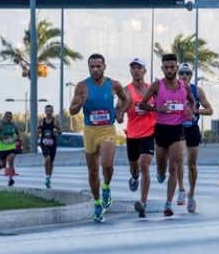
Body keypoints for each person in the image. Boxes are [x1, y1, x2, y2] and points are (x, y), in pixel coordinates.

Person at [69, 53, 130, 222]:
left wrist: (119, 112)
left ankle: (106, 187)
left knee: (107, 165)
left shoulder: (114, 85)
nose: (95, 70)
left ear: (104, 67)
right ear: (88, 67)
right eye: (91, 67)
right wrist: (78, 104)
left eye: (98, 66)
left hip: (107, 130)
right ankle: (97, 204)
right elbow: (72, 110)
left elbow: (127, 101)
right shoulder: (82, 86)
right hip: (89, 131)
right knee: (93, 171)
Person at [139, 54, 195, 217]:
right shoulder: (157, 86)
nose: (169, 70)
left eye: (172, 67)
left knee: (174, 166)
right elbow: (143, 104)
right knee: (162, 168)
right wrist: (157, 109)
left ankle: (168, 204)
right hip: (161, 130)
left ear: (176, 68)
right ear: (162, 68)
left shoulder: (185, 86)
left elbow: (191, 101)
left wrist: (190, 111)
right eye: (166, 67)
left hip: (178, 130)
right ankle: (160, 173)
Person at [117, 58, 156, 218]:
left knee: (144, 165)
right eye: (132, 68)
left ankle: (143, 202)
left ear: (145, 71)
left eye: (139, 67)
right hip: (133, 134)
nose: (135, 70)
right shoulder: (126, 91)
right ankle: (134, 177)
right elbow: (117, 111)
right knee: (135, 167)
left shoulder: (152, 89)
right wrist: (118, 116)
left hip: (150, 132)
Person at [176, 62, 213, 213]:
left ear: (191, 75)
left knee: (191, 164)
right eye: (182, 73)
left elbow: (210, 110)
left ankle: (191, 194)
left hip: (192, 129)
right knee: (178, 159)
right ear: (178, 75)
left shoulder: (197, 91)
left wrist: (196, 111)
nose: (184, 76)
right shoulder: (172, 90)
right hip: (178, 128)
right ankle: (181, 190)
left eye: (187, 73)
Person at [0, 111, 20, 186]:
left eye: (10, 117)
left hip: (11, 147)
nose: (9, 118)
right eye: (7, 117)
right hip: (2, 148)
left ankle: (10, 179)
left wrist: (18, 138)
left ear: (12, 117)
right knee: (4, 165)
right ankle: (0, 163)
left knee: (11, 163)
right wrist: (2, 138)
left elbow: (17, 133)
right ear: (4, 117)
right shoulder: (1, 125)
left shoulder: (14, 125)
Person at [38, 104, 62, 188]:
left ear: (52, 111)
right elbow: (38, 130)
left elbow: (60, 132)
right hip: (44, 143)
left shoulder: (55, 121)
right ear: (44, 112)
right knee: (47, 159)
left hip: (52, 144)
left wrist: (57, 131)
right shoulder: (41, 121)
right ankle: (46, 176)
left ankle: (48, 178)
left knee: (51, 162)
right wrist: (39, 131)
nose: (48, 112)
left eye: (50, 111)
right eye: (47, 111)